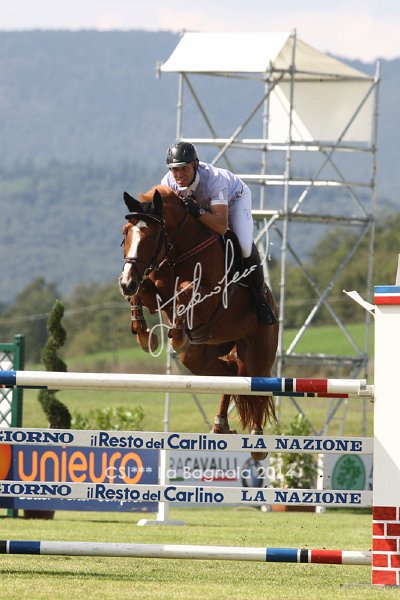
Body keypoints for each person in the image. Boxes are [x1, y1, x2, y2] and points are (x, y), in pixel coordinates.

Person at [161, 141, 277, 326]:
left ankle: (260, 299)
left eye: (184, 168)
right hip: (204, 206)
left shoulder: (214, 180)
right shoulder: (167, 184)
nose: (179, 175)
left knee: (244, 246)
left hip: (234, 200)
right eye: (174, 169)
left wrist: (198, 211)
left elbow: (222, 226)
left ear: (195, 165)